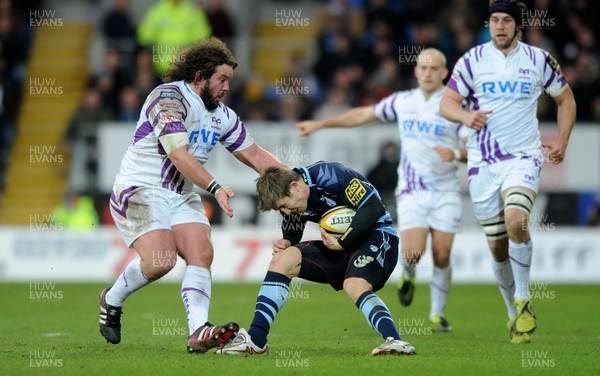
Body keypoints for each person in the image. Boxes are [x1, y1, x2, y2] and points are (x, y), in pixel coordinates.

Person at [98, 37, 283, 353]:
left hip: (180, 194)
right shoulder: (168, 98)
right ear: (199, 76)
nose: (227, 87)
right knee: (161, 261)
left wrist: (299, 180)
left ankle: (198, 330)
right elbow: (179, 156)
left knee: (202, 252)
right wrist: (215, 188)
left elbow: (254, 155)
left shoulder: (222, 114)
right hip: (140, 188)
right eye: (222, 79)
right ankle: (111, 299)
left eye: (229, 81)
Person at [296, 48, 468, 332]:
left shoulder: (453, 106)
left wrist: (456, 154)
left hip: (446, 190)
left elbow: (471, 149)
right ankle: (410, 275)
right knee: (413, 253)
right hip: (412, 190)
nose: (427, 74)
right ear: (415, 71)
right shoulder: (403, 101)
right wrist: (322, 123)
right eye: (423, 69)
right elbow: (364, 114)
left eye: (433, 69)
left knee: (441, 254)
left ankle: (437, 314)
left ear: (444, 73)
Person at [439, 0, 576, 344]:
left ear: (518, 25)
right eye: (495, 20)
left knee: (517, 221)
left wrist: (562, 140)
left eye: (507, 21)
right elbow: (447, 103)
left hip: (523, 157)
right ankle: (514, 316)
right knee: (498, 247)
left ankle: (524, 297)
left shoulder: (539, 60)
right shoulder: (472, 60)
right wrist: (466, 117)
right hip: (482, 163)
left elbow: (566, 100)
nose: (500, 26)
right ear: (489, 24)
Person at [216, 163, 416, 356]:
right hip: (339, 246)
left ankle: (396, 341)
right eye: (281, 210)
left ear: (295, 186)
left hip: (378, 237)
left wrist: (343, 242)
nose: (286, 212)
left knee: (354, 285)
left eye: (285, 206)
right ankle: (256, 341)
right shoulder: (294, 201)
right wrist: (287, 241)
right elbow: (294, 231)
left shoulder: (331, 175)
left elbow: (373, 207)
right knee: (283, 259)